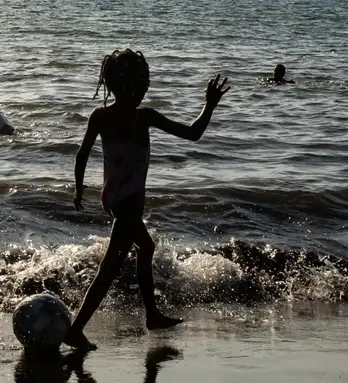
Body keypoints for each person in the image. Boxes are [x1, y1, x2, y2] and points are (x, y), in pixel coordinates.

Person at [63, 49, 229, 352]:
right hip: (127, 201)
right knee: (110, 267)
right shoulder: (142, 117)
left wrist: (78, 188)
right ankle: (76, 329)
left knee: (146, 247)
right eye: (138, 86)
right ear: (121, 86)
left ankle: (151, 315)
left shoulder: (105, 116)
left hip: (113, 197)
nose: (141, 92)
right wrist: (209, 105)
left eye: (143, 86)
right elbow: (192, 133)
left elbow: (83, 153)